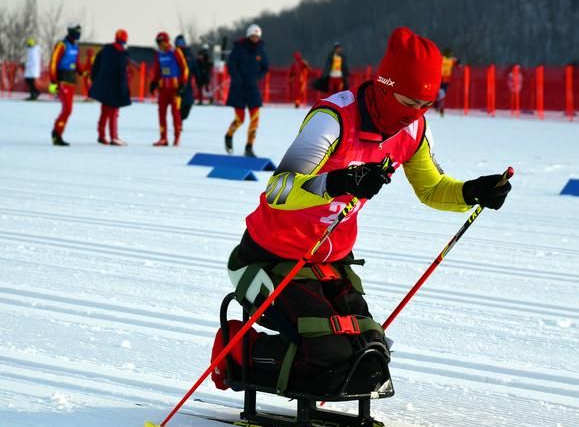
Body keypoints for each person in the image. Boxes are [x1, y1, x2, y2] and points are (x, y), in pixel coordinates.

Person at [211, 27, 512, 396]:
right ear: (385, 86)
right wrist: (337, 183)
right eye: (407, 101)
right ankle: (238, 352)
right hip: (268, 257)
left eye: (424, 106)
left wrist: (472, 192)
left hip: (330, 260)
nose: (413, 114)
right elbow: (278, 190)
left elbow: (432, 189)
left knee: (371, 353)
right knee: (329, 352)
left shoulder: (414, 129)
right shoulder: (333, 119)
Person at [224, 23, 269, 157]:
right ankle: (229, 135)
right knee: (240, 119)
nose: (255, 38)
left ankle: (249, 146)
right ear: (249, 35)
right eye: (253, 36)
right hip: (238, 88)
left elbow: (265, 67)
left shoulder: (261, 50)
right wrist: (237, 79)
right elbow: (231, 64)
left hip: (253, 89)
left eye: (257, 36)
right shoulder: (239, 48)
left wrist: (258, 77)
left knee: (255, 119)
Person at [89, 29, 131, 146]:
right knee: (113, 111)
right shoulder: (121, 54)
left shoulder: (105, 50)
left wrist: (94, 79)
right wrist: (124, 91)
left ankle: (101, 135)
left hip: (103, 85)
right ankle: (114, 137)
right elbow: (122, 75)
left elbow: (96, 65)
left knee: (104, 110)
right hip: (114, 87)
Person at [149, 31, 189, 147]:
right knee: (161, 113)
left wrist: (182, 84)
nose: (159, 45)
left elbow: (184, 69)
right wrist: (154, 82)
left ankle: (177, 137)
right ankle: (163, 138)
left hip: (175, 88)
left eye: (161, 42)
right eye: (158, 43)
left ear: (166, 41)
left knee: (175, 113)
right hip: (163, 89)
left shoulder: (175, 52)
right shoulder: (159, 55)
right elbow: (157, 71)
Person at [49, 24, 85, 146]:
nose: (79, 34)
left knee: (68, 110)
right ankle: (57, 133)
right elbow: (54, 62)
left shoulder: (75, 46)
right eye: (77, 31)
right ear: (71, 32)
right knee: (67, 109)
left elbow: (76, 61)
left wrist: (82, 71)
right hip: (62, 80)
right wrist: (53, 81)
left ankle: (57, 132)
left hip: (71, 81)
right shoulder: (62, 45)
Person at [175, 34, 197, 121]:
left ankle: (180, 119)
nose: (180, 44)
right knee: (177, 105)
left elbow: (194, 67)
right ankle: (178, 123)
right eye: (179, 42)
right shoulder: (173, 54)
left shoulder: (189, 54)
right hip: (176, 83)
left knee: (188, 104)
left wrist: (198, 77)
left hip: (187, 84)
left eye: (182, 42)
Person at [436, 47, 459, 116]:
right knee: (440, 93)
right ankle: (439, 105)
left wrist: (459, 65)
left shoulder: (451, 59)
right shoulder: (442, 58)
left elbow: (458, 61)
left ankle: (439, 104)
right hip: (440, 78)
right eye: (449, 53)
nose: (450, 55)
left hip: (446, 79)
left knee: (442, 93)